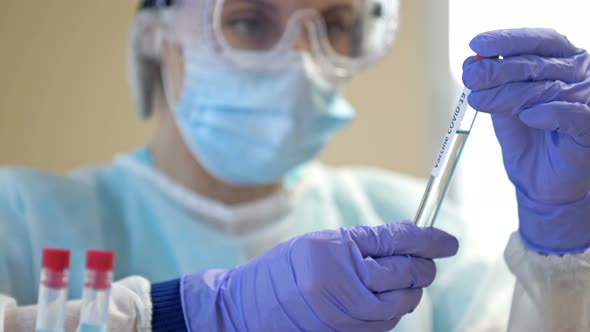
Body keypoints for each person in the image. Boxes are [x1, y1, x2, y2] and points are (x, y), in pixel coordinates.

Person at [1, 0, 590, 330]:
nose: (302, 59)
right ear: (156, 36)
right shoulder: (22, 220)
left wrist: (560, 258)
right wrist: (201, 314)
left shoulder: (423, 238)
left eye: (332, 25)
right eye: (250, 22)